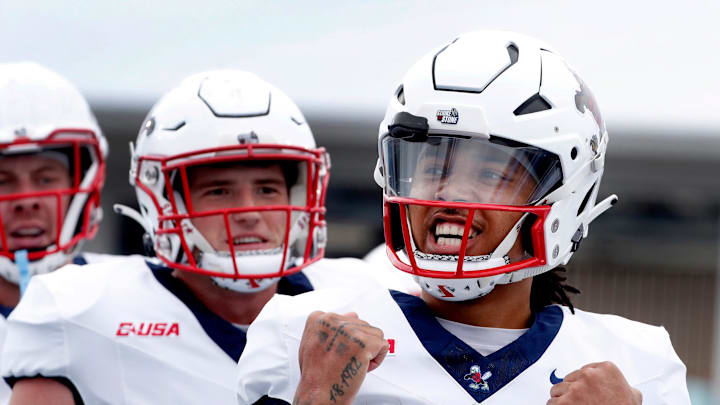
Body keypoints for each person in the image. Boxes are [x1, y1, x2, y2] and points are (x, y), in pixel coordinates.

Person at [235, 31, 690, 404]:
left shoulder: (639, 366)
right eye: (433, 168)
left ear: (566, 194)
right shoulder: (300, 334)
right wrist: (316, 396)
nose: (450, 195)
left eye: (491, 173)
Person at [1, 70, 383, 404]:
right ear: (165, 203)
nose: (249, 211)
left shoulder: (363, 294)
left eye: (267, 189)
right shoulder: (77, 309)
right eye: (219, 191)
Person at [0, 62, 117, 404]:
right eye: (3, 181)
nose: (27, 201)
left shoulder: (133, 299)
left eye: (45, 178)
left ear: (78, 185)